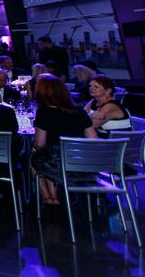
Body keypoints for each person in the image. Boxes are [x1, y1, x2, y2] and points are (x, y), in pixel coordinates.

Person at [31, 75, 97, 206]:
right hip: (81, 163)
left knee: (33, 158)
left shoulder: (44, 112)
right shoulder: (79, 111)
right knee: (46, 157)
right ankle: (54, 198)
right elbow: (93, 139)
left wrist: (32, 149)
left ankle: (49, 199)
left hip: (57, 164)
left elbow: (39, 144)